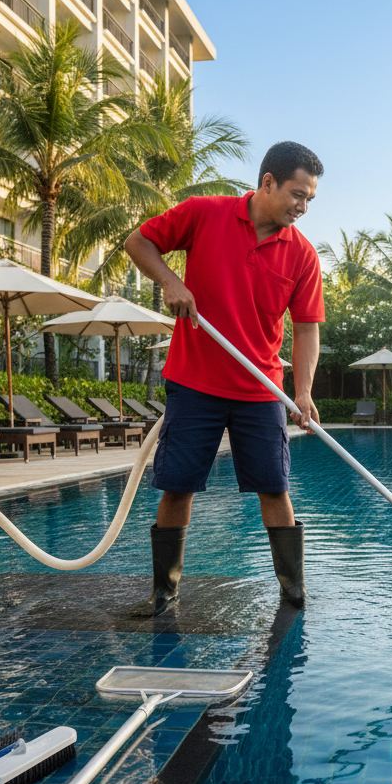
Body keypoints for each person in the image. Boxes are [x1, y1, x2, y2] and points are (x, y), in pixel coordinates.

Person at [123, 141, 325, 616]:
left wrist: (303, 392)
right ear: (268, 182)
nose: (303, 207)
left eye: (310, 199)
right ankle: (164, 591)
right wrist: (171, 281)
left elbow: (306, 329)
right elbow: (138, 242)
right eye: (297, 194)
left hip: (261, 389)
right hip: (195, 382)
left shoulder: (302, 255)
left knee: (274, 486)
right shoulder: (204, 214)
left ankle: (293, 591)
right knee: (178, 485)